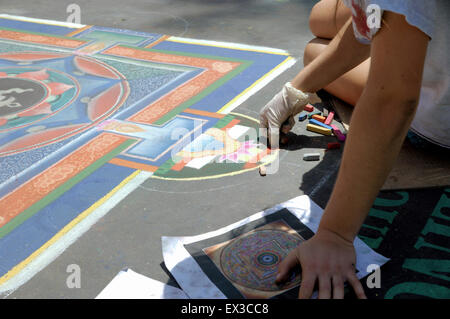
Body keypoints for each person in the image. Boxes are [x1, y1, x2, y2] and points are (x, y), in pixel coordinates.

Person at [258, 0, 450, 299]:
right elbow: (377, 15)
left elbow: (392, 102)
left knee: (315, 52)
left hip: (439, 120)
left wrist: (335, 234)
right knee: (321, 19)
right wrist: (293, 92)